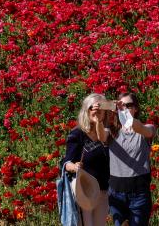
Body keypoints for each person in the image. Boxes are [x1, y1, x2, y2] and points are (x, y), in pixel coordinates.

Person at [64, 93, 115, 226]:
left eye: (100, 108)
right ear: (86, 110)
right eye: (92, 107)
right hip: (84, 190)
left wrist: (115, 107)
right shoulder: (77, 134)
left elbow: (103, 135)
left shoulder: (107, 134)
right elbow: (67, 162)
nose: (96, 111)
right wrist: (74, 167)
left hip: (103, 191)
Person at [108, 92, 157, 226]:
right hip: (116, 193)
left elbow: (139, 127)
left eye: (128, 105)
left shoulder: (146, 129)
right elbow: (98, 134)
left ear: (136, 108)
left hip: (139, 194)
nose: (125, 108)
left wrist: (125, 114)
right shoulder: (112, 132)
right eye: (122, 106)